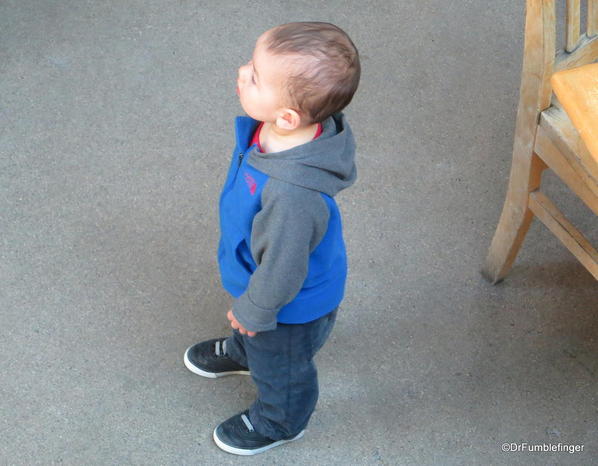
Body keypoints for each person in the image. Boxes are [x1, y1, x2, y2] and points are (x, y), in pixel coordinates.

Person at [184, 21, 360, 456]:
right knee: (259, 338)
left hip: (287, 303)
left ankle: (281, 420)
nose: (242, 72)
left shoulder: (293, 197)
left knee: (282, 366)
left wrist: (256, 309)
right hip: (261, 275)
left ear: (287, 116)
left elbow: (282, 269)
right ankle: (247, 350)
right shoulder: (278, 133)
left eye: (255, 75)